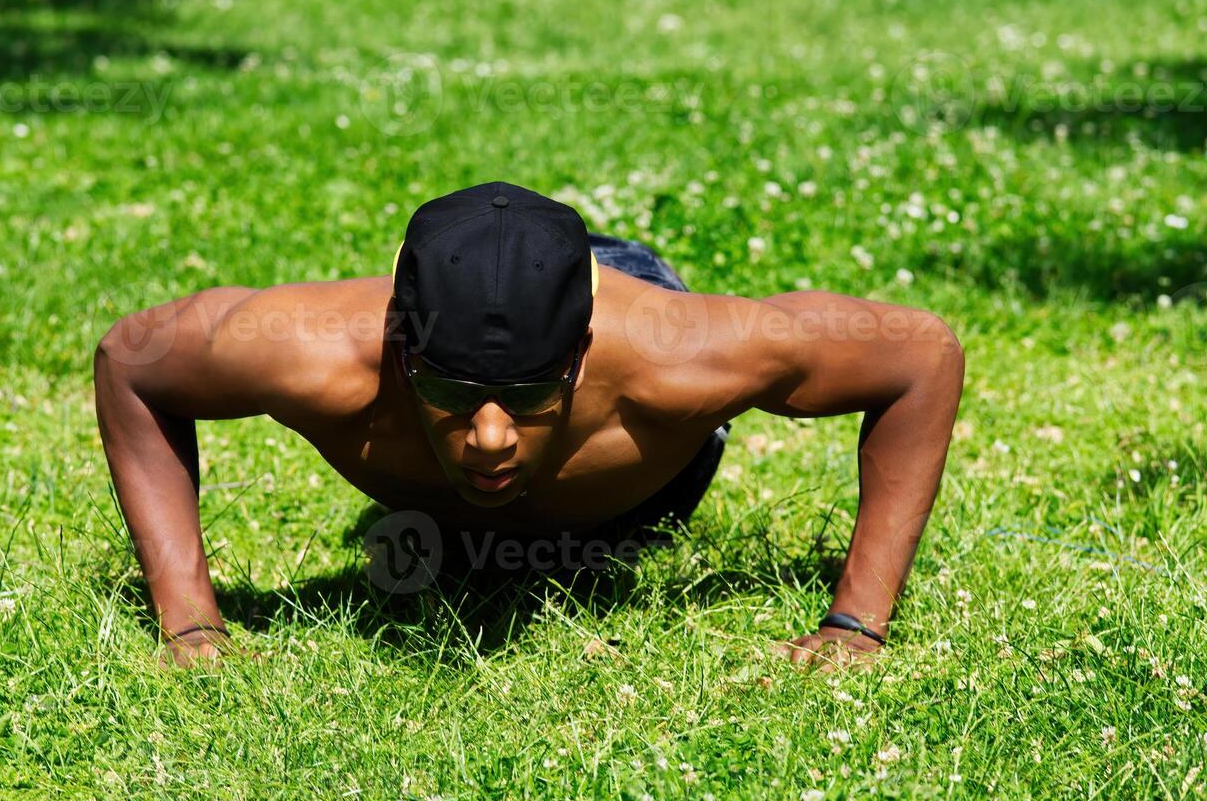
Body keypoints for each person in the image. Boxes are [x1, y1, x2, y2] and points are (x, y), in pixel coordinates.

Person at [94, 181, 963, 670]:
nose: (492, 437)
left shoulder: (685, 356)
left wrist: (856, 624)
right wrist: (190, 622)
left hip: (629, 446)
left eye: (531, 397)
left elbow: (920, 355)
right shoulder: (306, 352)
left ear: (580, 359)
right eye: (450, 391)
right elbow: (131, 363)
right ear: (402, 351)